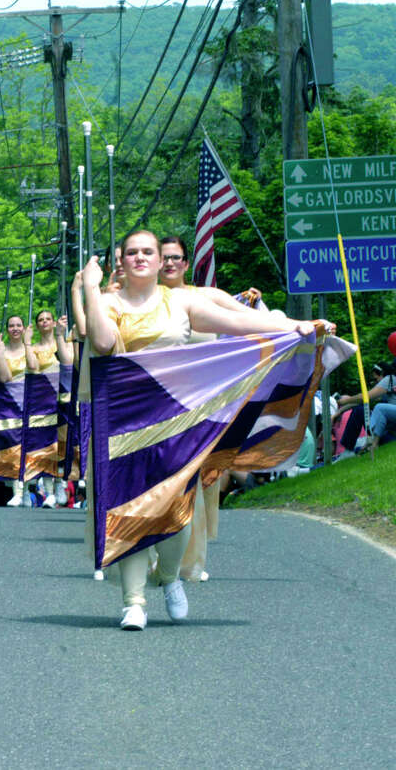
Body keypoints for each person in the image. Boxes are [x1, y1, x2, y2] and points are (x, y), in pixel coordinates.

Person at [79, 230, 330, 630]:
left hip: (179, 416)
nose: (141, 257)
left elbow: (238, 321)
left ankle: (170, 576)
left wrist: (298, 324)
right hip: (125, 419)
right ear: (120, 261)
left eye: (149, 252)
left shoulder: (182, 301)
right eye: (132, 253)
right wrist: (91, 288)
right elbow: (104, 341)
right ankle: (134, 602)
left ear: (162, 262)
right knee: (128, 508)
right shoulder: (107, 302)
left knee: (177, 509)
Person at [156, 235, 259, 582]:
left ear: (186, 264)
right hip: (158, 404)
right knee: (160, 482)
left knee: (195, 482)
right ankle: (156, 551)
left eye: (176, 258)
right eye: (164, 257)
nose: (170, 263)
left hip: (203, 404)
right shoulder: (144, 302)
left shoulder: (207, 297)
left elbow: (249, 322)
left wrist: (253, 304)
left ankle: (189, 560)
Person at [30, 309, 74, 507]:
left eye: (48, 319)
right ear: (37, 325)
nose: (45, 322)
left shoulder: (63, 343)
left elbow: (70, 363)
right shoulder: (33, 348)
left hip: (63, 399)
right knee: (46, 446)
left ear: (54, 322)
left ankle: (60, 484)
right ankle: (48, 492)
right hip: (42, 400)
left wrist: (62, 335)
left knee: (63, 443)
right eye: (41, 320)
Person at [0, 315, 32, 506]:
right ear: (7, 330)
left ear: (24, 328)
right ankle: (17, 491)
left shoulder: (31, 350)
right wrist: (0, 353)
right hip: (9, 406)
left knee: (29, 448)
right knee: (12, 448)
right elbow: (4, 377)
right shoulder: (1, 352)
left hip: (31, 404)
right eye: (11, 326)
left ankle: (26, 491)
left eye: (18, 325)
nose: (15, 328)